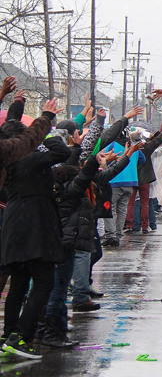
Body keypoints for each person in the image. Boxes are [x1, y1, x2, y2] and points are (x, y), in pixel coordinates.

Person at [0, 100, 70, 360]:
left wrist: (16, 107)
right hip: (35, 225)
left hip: (12, 224)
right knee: (43, 281)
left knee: (18, 283)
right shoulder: (32, 157)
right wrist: (48, 131)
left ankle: (8, 335)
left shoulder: (7, 163)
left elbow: (10, 128)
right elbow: (62, 153)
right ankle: (21, 336)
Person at [99, 106, 146, 246]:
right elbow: (142, 160)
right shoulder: (133, 145)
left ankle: (111, 235)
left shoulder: (111, 145)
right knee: (122, 208)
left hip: (114, 181)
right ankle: (119, 234)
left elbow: (103, 159)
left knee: (109, 208)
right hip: (131, 182)